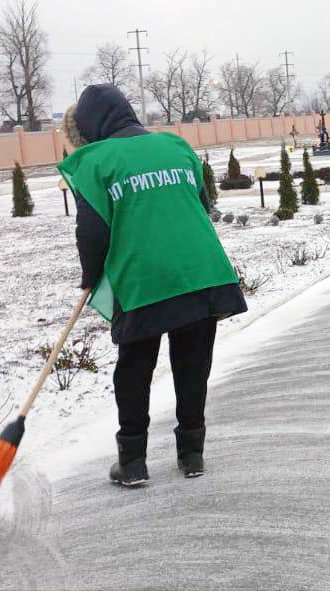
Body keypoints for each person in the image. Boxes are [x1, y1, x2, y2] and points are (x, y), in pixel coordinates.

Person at [59, 85, 247, 487]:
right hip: (202, 272)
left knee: (134, 368)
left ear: (90, 124)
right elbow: (200, 202)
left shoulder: (95, 161)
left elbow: (91, 232)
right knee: (192, 364)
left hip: (144, 279)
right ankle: (192, 454)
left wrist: (90, 278)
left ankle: (133, 461)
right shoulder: (176, 147)